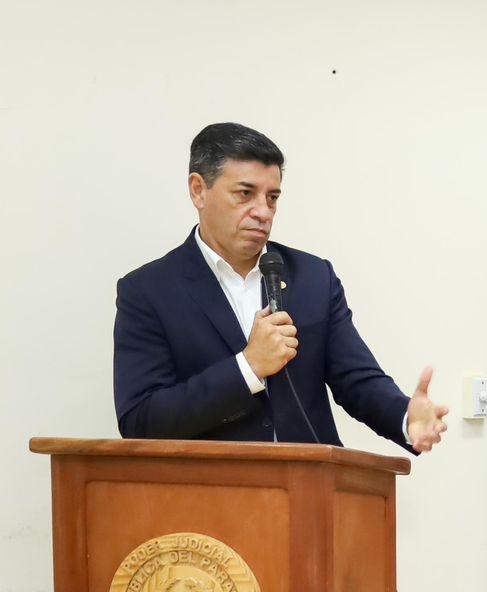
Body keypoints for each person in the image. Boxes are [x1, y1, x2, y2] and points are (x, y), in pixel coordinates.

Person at [113, 123, 447, 451]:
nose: (263, 212)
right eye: (245, 194)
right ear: (199, 190)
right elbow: (142, 420)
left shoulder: (314, 277)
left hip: (311, 489)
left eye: (272, 197)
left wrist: (405, 416)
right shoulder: (148, 292)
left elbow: (357, 380)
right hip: (209, 495)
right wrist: (248, 367)